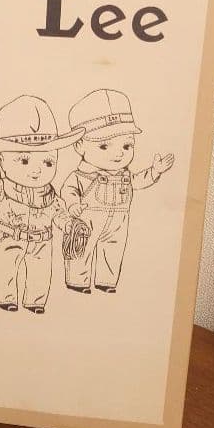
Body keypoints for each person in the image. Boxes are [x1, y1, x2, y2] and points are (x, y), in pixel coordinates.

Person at [0, 95, 82, 313]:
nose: (37, 170)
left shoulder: (49, 192)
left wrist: (68, 223)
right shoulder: (5, 186)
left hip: (42, 239)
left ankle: (35, 301)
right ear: (1, 162)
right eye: (23, 160)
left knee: (40, 272)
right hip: (8, 235)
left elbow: (57, 210)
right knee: (4, 268)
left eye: (48, 162)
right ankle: (5, 298)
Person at [60, 89, 173, 294]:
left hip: (118, 221)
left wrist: (154, 171)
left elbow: (137, 181)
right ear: (79, 146)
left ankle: (106, 281)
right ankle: (77, 281)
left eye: (127, 145)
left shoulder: (125, 175)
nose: (119, 153)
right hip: (87, 218)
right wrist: (73, 204)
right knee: (81, 247)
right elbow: (69, 189)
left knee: (113, 249)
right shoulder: (82, 175)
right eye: (104, 146)